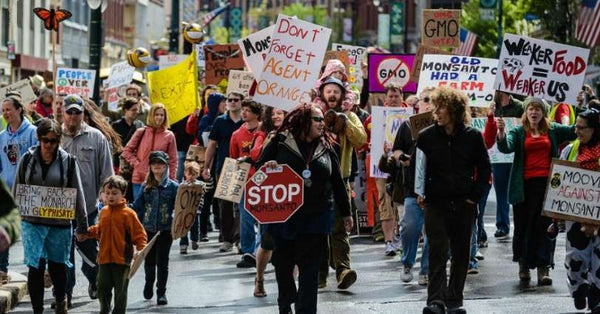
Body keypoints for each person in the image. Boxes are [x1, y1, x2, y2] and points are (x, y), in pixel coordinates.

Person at [256, 103, 353, 313]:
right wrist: (268, 168)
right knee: (283, 264)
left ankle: (305, 309)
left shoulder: (328, 146)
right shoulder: (280, 143)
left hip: (316, 218)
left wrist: (346, 213)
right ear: (304, 122)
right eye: (317, 120)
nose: (322, 124)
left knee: (309, 268)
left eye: (322, 120)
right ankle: (285, 301)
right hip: (284, 219)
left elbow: (337, 181)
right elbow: (258, 172)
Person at [417, 86, 491, 314]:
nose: (436, 112)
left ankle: (454, 301)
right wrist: (420, 193)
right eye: (435, 107)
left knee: (461, 254)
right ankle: (435, 302)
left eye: (441, 108)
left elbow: (485, 169)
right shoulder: (426, 136)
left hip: (463, 204)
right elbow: (418, 169)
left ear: (455, 110)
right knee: (437, 251)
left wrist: (473, 198)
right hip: (435, 203)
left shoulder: (473, 137)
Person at [497, 97, 577, 286]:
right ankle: (523, 266)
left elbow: (575, 131)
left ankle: (544, 268)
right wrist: (501, 133)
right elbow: (506, 146)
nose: (534, 113)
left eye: (538, 109)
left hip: (548, 186)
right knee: (523, 227)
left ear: (543, 112)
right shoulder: (518, 131)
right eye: (531, 109)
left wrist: (578, 105)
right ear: (526, 112)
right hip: (523, 187)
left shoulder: (553, 129)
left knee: (546, 228)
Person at [14, 118, 88, 314]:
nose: (49, 145)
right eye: (45, 140)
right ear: (39, 139)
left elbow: (77, 194)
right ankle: (37, 309)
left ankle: (61, 299)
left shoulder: (69, 162)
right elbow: (17, 190)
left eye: (53, 141)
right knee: (35, 267)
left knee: (58, 267)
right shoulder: (27, 160)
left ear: (59, 141)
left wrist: (83, 225)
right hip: (33, 223)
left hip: (59, 223)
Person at [60, 94, 114, 302]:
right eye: (69, 112)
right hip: (60, 208)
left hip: (89, 207)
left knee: (89, 250)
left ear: (83, 113)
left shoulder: (97, 137)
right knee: (64, 254)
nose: (73, 116)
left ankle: (93, 279)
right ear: (63, 113)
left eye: (77, 112)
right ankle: (66, 292)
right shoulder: (54, 137)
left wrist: (106, 199)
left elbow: (107, 173)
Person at [318, 77, 367, 290]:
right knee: (318, 231)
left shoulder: (351, 116)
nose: (332, 95)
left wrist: (344, 122)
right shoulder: (313, 114)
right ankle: (319, 275)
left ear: (342, 95)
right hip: (317, 182)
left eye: (336, 91)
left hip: (342, 181)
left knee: (340, 229)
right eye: (328, 91)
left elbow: (361, 140)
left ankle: (343, 271)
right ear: (322, 93)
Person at [390, 86, 436, 285]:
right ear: (418, 104)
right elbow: (396, 150)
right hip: (411, 186)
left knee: (433, 230)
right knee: (410, 226)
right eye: (425, 99)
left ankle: (426, 268)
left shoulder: (441, 127)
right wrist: (402, 158)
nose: (428, 103)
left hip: (435, 187)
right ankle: (407, 262)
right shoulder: (407, 126)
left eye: (432, 100)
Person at [84, 175, 147, 314]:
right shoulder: (103, 212)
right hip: (104, 259)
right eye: (107, 193)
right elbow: (99, 230)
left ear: (123, 193)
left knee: (121, 292)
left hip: (122, 261)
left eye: (114, 193)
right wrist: (87, 232)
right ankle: (104, 309)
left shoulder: (128, 214)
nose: (110, 196)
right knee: (102, 287)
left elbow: (140, 235)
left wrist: (141, 251)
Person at [558, 108, 600, 311]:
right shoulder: (569, 151)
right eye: (576, 127)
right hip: (575, 216)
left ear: (594, 130)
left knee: (599, 262)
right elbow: (557, 183)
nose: (577, 131)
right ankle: (578, 289)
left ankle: (597, 297)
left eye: (582, 128)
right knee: (576, 259)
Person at [132, 151, 179, 305]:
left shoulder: (173, 187)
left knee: (163, 262)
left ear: (166, 166)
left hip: (165, 231)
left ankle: (161, 292)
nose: (157, 166)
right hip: (148, 229)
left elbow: (181, 208)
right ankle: (149, 282)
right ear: (150, 166)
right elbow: (138, 206)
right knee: (149, 261)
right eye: (154, 163)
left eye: (161, 163)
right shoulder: (146, 186)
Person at [0, 94, 37, 283]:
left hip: (28, 193)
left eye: (9, 109)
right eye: (3, 110)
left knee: (30, 233)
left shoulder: (33, 133)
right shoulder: (1, 137)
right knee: (3, 230)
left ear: (19, 109)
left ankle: (36, 271)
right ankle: (1, 271)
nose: (6, 113)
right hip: (7, 193)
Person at [249, 105, 285, 297]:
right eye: (274, 113)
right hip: (269, 193)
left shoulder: (294, 133)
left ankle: (289, 285)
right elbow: (255, 156)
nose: (277, 115)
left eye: (280, 112)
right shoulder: (263, 133)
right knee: (268, 240)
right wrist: (267, 143)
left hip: (290, 193)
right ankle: (260, 279)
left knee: (292, 240)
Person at [202, 92, 244, 252]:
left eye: (236, 100)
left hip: (243, 166)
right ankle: (227, 239)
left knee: (241, 205)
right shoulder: (220, 121)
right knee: (225, 205)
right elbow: (212, 145)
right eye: (230, 100)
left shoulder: (246, 121)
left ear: (241, 102)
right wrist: (206, 167)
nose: (232, 102)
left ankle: (240, 239)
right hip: (224, 167)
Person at [122, 103, 178, 200]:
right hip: (139, 179)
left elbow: (173, 160)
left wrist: (171, 179)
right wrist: (137, 164)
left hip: (159, 180)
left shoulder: (169, 135)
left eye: (162, 115)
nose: (159, 117)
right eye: (156, 114)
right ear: (151, 115)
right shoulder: (141, 131)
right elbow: (127, 151)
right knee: (139, 211)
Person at [230, 99, 262, 268]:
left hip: (264, 182)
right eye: (243, 110)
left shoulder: (265, 132)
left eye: (247, 110)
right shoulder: (236, 135)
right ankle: (248, 252)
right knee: (246, 218)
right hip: (245, 182)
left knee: (264, 218)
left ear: (257, 114)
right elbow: (234, 158)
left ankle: (260, 250)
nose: (243, 113)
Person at [492, 91, 524, 240]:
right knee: (500, 191)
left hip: (515, 155)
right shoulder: (492, 106)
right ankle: (502, 226)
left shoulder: (519, 106)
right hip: (497, 156)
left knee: (517, 190)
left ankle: (520, 225)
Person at [111, 97, 144, 200]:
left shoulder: (140, 125)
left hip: (134, 164)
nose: (136, 112)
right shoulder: (116, 125)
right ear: (125, 110)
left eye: (137, 109)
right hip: (120, 164)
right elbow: (113, 144)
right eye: (133, 110)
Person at [178, 161, 206, 254]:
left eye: (193, 174)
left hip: (195, 209)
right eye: (189, 174)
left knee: (195, 226)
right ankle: (183, 244)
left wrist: (208, 181)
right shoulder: (182, 185)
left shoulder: (200, 184)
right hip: (184, 210)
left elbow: (206, 191)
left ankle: (194, 240)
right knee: (183, 227)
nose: (191, 176)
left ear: (197, 174)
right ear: (185, 173)